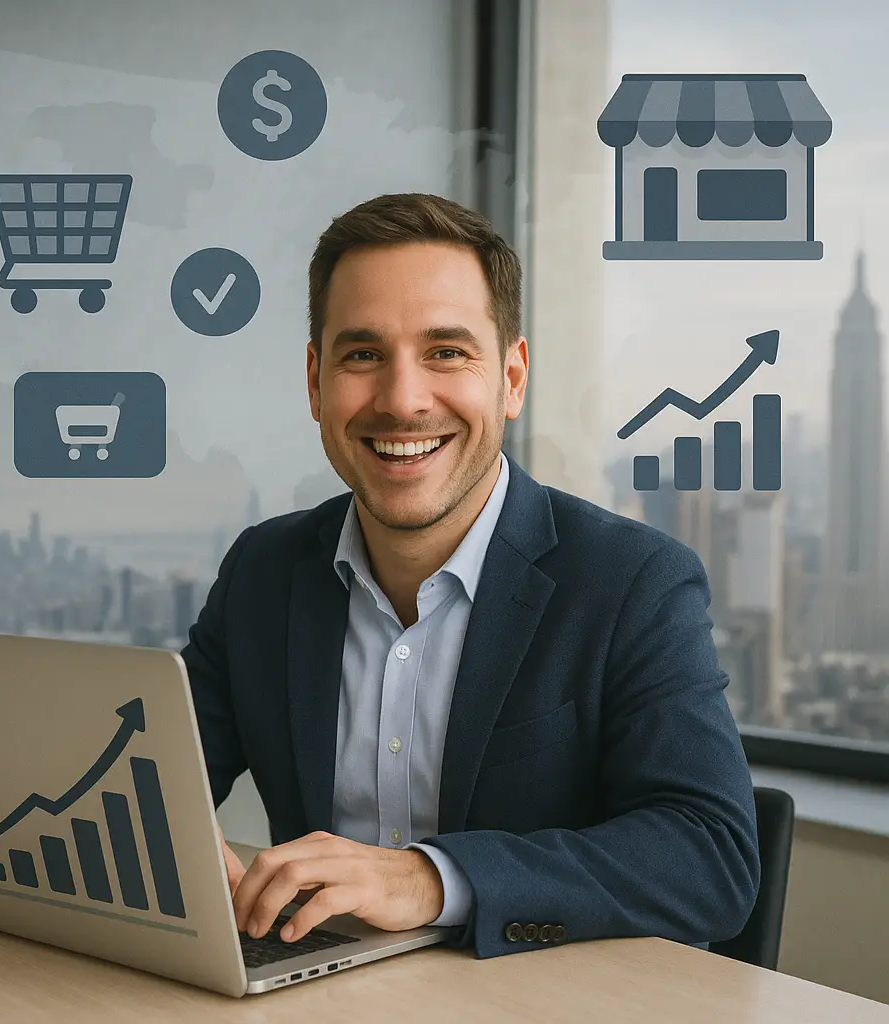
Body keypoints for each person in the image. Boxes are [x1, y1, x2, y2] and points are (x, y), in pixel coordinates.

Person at [180, 193, 760, 960]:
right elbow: (144, 778)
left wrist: (430, 879)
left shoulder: (632, 582)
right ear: (316, 381)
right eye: (362, 355)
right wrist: (169, 852)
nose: (402, 400)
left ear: (512, 379)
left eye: (446, 352)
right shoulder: (263, 571)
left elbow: (709, 857)